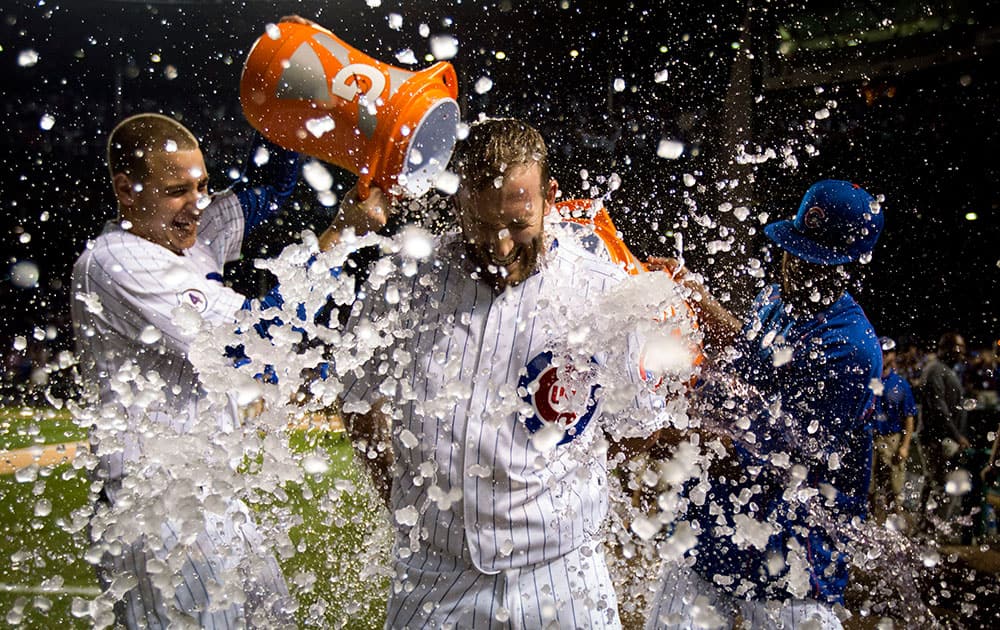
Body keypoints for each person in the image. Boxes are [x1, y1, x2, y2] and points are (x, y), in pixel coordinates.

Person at [329, 118, 686, 628]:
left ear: (550, 199)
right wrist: (399, 498)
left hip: (563, 577)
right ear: (459, 206)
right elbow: (358, 401)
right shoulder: (404, 287)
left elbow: (641, 427)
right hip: (436, 575)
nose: (500, 247)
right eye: (483, 225)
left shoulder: (602, 291)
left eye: (519, 224)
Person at [71, 112, 303, 627]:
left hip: (209, 493)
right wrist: (339, 240)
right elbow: (251, 339)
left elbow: (274, 187)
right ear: (127, 191)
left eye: (202, 186)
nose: (196, 204)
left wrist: (295, 95)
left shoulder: (188, 236)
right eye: (177, 190)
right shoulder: (116, 259)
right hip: (156, 510)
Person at [645, 179, 884, 629]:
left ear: (850, 268)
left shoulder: (851, 347)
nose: (797, 272)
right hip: (712, 534)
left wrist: (678, 437)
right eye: (795, 254)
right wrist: (700, 300)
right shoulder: (775, 297)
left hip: (790, 561)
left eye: (817, 265)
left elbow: (787, 459)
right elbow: (754, 360)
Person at [919, 331, 971, 527]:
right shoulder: (935, 370)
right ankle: (926, 531)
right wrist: (957, 436)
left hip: (944, 439)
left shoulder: (945, 370)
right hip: (937, 439)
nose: (962, 353)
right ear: (946, 349)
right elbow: (939, 410)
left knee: (937, 484)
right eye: (959, 348)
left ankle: (928, 529)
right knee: (937, 485)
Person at [870, 336, 917, 523]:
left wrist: (904, 446)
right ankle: (871, 526)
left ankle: (894, 529)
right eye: (882, 351)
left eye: (888, 352)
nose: (885, 355)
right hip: (871, 438)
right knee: (869, 489)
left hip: (892, 439)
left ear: (893, 355)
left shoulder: (900, 384)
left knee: (894, 490)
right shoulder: (869, 380)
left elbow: (909, 418)